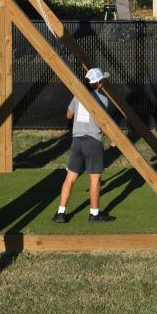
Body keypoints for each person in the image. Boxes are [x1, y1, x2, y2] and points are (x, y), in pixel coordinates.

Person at [52, 68, 116, 224]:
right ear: (99, 83)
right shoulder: (103, 99)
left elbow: (69, 115)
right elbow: (102, 124)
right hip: (93, 142)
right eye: (103, 81)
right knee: (95, 179)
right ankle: (94, 215)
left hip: (77, 142)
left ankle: (61, 213)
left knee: (70, 178)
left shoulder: (78, 96)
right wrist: (113, 138)